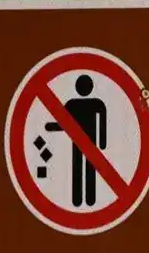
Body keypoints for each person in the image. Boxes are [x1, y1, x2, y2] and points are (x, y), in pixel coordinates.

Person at [45, 74, 107, 207]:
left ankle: (81, 199)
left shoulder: (75, 103)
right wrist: (102, 142)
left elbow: (62, 123)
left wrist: (51, 127)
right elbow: (63, 122)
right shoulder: (95, 103)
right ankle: (85, 199)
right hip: (87, 143)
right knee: (83, 168)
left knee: (79, 168)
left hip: (83, 143)